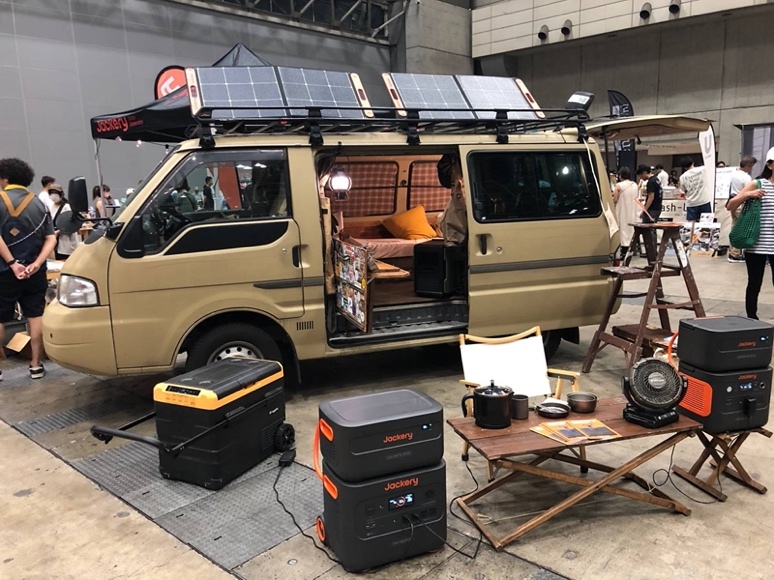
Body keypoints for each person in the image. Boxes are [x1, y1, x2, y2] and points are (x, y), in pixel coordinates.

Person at [0, 158, 57, 380]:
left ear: (5, 178)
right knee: (35, 314)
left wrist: (12, 263)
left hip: (4, 271)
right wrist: (36, 264)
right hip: (35, 271)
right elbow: (51, 238)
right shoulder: (39, 203)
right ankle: (35, 365)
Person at [726, 147, 774, 320]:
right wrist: (748, 195)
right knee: (754, 283)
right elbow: (730, 205)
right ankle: (752, 318)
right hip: (756, 244)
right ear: (770, 165)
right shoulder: (758, 184)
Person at [726, 155, 757, 263]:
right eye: (751, 166)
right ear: (748, 165)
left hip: (732, 201)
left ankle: (733, 252)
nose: (751, 168)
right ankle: (736, 254)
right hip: (741, 202)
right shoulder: (746, 177)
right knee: (742, 228)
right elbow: (749, 191)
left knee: (735, 227)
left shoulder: (733, 174)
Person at [47, 183, 80, 260]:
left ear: (61, 194)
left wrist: (58, 232)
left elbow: (71, 225)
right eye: (51, 193)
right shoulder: (49, 206)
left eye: (55, 193)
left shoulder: (67, 207)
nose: (53, 195)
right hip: (54, 242)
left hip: (66, 241)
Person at [612, 167, 638, 260]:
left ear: (620, 175)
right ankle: (631, 249)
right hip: (633, 210)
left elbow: (615, 199)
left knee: (622, 228)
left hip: (622, 209)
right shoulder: (634, 184)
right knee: (630, 229)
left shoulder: (618, 185)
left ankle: (623, 252)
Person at [679, 157, 712, 222]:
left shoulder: (682, 177)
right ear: (693, 163)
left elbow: (683, 190)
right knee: (706, 223)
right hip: (704, 201)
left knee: (692, 224)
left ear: (684, 167)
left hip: (691, 203)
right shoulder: (702, 169)